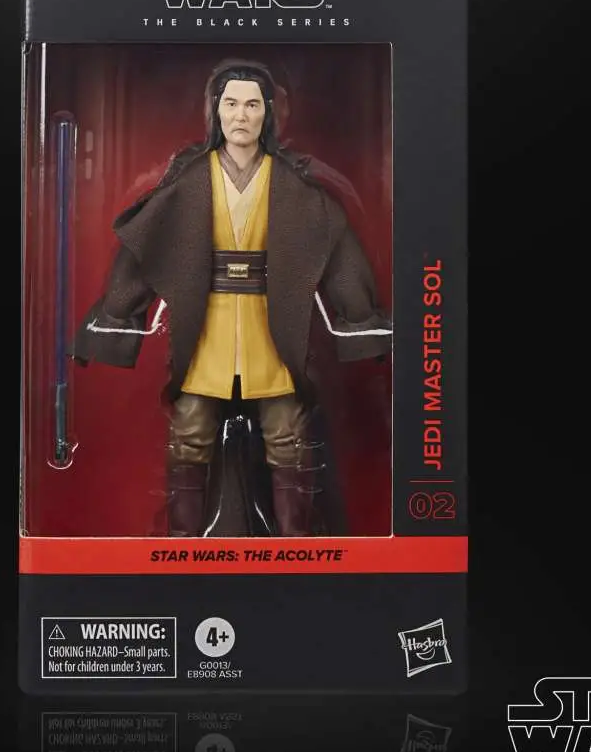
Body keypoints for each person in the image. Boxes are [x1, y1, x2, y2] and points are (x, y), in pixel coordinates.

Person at [72, 58, 391, 537]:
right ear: (215, 111)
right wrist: (114, 319)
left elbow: (337, 251)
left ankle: (295, 544)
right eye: (231, 104)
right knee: (190, 432)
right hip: (207, 327)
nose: (241, 115)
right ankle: (182, 543)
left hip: (273, 325)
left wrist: (362, 322)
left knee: (287, 435)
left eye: (252, 105)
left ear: (268, 113)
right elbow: (146, 251)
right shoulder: (188, 181)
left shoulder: (296, 186)